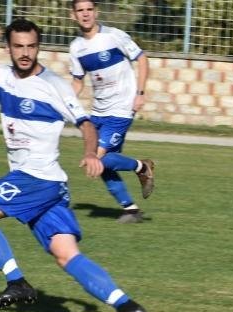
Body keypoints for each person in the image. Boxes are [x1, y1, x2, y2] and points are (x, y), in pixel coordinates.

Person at [0, 18, 147, 312]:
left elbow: (85, 124)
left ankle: (17, 282)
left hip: (36, 179)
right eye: (19, 46)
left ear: (38, 46)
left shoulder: (54, 86)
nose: (25, 53)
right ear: (8, 48)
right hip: (50, 186)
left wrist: (88, 153)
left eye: (31, 46)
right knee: (65, 254)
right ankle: (127, 306)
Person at [69, 0, 155, 224]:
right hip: (98, 111)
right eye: (80, 10)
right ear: (73, 15)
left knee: (97, 159)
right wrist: (63, 102)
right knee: (104, 165)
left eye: (89, 10)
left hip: (122, 108)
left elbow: (142, 59)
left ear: (96, 12)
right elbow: (78, 82)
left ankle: (141, 166)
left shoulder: (114, 36)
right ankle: (131, 209)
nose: (85, 14)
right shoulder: (76, 47)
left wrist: (141, 92)